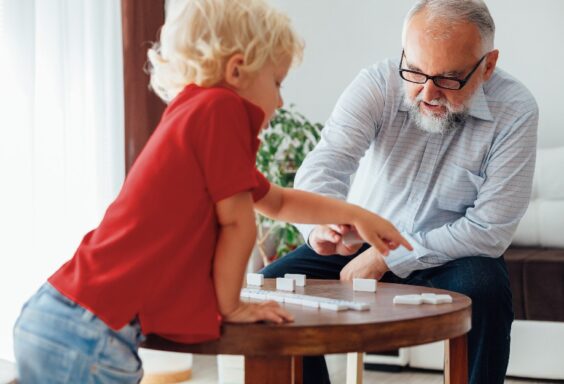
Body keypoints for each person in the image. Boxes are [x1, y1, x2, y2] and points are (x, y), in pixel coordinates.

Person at [12, 0, 412, 382]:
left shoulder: (195, 115)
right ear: (237, 70)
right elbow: (239, 224)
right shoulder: (220, 111)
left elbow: (278, 201)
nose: (280, 100)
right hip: (86, 332)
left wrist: (359, 215)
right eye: (276, 82)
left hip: (64, 317)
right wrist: (232, 306)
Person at [261, 0, 538, 383]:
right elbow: (327, 163)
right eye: (415, 71)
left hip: (451, 254)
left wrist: (386, 258)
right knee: (270, 289)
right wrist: (320, 225)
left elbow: (490, 229)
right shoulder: (378, 83)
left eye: (448, 79)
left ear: (487, 66)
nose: (427, 93)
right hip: (362, 238)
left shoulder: (517, 109)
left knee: (486, 291)